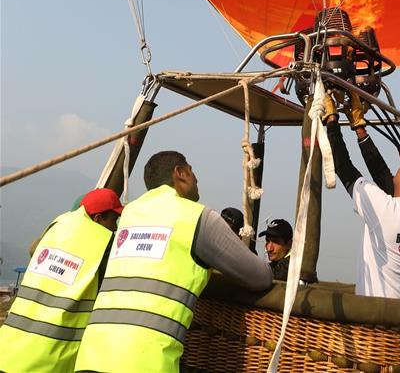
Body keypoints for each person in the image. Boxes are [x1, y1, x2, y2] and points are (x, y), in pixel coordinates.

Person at [74, 150, 272, 373]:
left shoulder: (129, 214)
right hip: (145, 363)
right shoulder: (196, 217)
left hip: (91, 357)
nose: (196, 179)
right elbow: (260, 277)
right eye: (192, 171)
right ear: (180, 173)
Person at [324, 92, 400, 301]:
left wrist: (331, 119)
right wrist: (359, 128)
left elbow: (343, 167)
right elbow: (384, 177)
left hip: (379, 322)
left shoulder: (389, 213)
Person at [0, 188, 123, 373]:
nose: (115, 228)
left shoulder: (58, 228)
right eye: (113, 221)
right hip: (49, 359)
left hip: (9, 350)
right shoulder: (101, 247)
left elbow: (33, 249)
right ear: (97, 219)